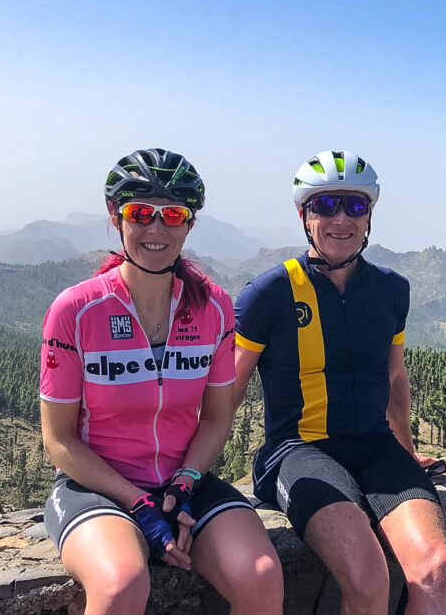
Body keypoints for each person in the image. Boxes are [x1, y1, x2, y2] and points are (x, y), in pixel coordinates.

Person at [40, 149, 283, 615]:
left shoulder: (213, 308)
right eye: (140, 214)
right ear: (116, 218)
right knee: (121, 586)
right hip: (98, 486)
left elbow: (215, 416)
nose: (157, 229)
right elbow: (58, 439)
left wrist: (185, 483)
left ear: (189, 225)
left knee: (262, 578)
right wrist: (138, 504)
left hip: (182, 480)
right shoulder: (75, 310)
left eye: (173, 214)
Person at [233, 151, 446, 615]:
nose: (341, 219)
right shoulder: (268, 294)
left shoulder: (392, 290)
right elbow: (227, 394)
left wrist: (407, 447)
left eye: (355, 207)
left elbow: (394, 375)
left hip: (376, 446)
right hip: (299, 450)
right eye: (325, 206)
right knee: (367, 575)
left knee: (438, 568)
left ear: (370, 214)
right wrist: (190, 476)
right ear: (303, 215)